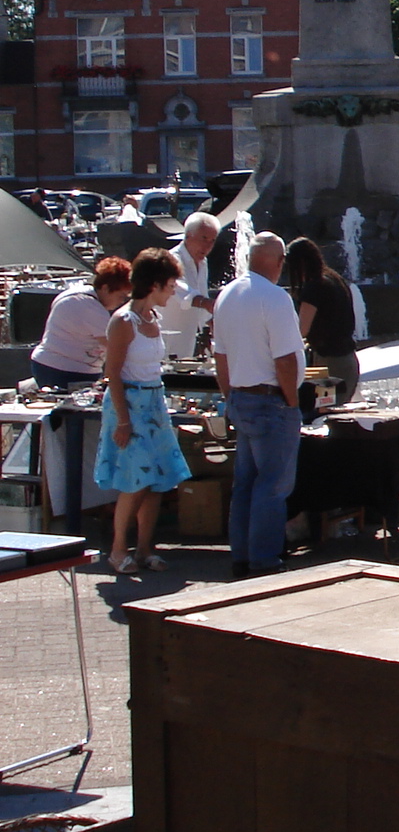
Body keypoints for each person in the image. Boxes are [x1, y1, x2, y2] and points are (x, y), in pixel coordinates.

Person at [212, 233, 306, 579]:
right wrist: (291, 401)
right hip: (270, 400)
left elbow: (219, 356)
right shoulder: (275, 298)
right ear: (279, 261)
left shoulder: (227, 294)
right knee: (273, 484)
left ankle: (242, 554)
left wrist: (229, 396)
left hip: (241, 396)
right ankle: (264, 559)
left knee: (246, 483)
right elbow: (285, 359)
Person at [96, 249, 191, 576]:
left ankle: (145, 547)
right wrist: (123, 420)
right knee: (134, 480)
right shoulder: (124, 321)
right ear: (155, 284)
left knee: (157, 480)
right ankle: (118, 548)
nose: (174, 290)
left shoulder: (153, 317)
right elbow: (114, 373)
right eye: (170, 284)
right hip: (130, 404)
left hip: (153, 402)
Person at [30, 257, 130, 390]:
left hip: (66, 366)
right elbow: (114, 345)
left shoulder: (78, 295)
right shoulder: (89, 306)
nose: (121, 302)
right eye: (121, 296)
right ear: (105, 288)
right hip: (61, 369)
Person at [284, 237, 360, 405]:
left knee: (325, 413)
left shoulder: (314, 288)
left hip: (330, 364)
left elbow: (301, 330)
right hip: (348, 359)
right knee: (337, 413)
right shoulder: (334, 279)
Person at [158, 212, 220, 359]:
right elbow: (180, 290)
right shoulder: (171, 260)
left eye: (212, 241)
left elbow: (203, 302)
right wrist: (207, 304)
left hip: (188, 342)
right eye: (204, 239)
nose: (208, 246)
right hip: (165, 342)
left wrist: (212, 324)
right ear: (188, 236)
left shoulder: (203, 264)